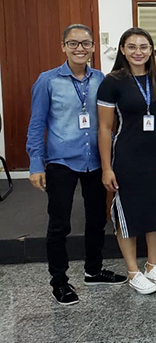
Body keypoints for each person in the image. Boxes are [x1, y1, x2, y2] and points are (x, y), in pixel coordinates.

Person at [26, 24, 127, 305]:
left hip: (95, 161)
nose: (80, 48)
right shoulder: (48, 81)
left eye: (85, 43)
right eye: (73, 43)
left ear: (94, 47)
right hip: (61, 161)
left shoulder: (102, 79)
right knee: (59, 225)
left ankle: (93, 271)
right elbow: (36, 125)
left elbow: (110, 121)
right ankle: (59, 282)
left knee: (96, 220)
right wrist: (36, 164)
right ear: (63, 47)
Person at [97, 28, 156, 295]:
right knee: (129, 211)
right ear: (122, 49)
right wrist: (107, 167)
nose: (138, 52)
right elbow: (104, 128)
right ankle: (133, 270)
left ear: (151, 50)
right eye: (132, 47)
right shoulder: (113, 82)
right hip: (128, 155)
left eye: (144, 47)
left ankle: (152, 266)